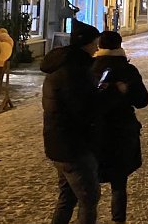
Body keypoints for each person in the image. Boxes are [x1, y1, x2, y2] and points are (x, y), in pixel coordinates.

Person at [41, 20, 103, 224]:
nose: (97, 47)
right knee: (89, 198)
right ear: (85, 43)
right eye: (95, 43)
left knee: (67, 197)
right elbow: (83, 109)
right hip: (74, 146)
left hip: (58, 142)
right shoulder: (75, 71)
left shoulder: (63, 64)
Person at [92, 31, 148, 224]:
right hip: (121, 133)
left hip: (93, 132)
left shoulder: (89, 68)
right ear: (119, 45)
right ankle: (118, 220)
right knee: (118, 185)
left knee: (87, 186)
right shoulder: (127, 70)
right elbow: (142, 101)